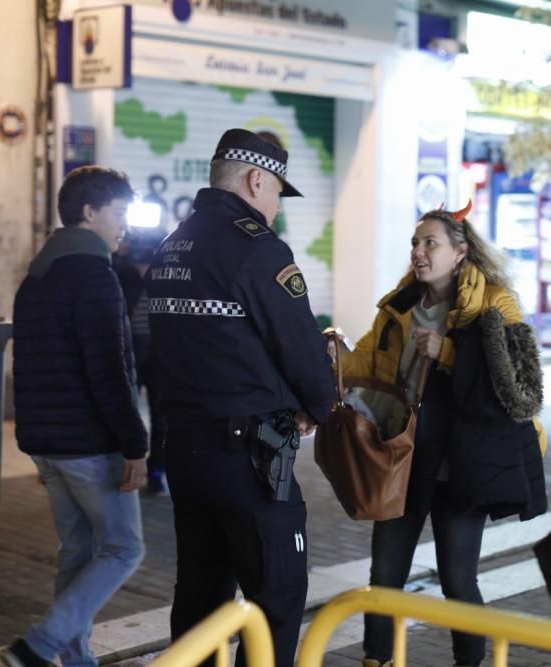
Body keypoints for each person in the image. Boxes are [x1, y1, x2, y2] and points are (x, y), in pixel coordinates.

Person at [145, 129, 335, 667]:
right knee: (276, 595)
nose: (276, 207)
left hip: (185, 449)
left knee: (201, 599)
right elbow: (300, 349)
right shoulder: (256, 249)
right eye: (276, 191)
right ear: (256, 179)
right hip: (249, 457)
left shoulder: (171, 245)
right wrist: (319, 408)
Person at [336, 203, 547, 667]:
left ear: (459, 252)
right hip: (403, 458)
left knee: (458, 580)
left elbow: (517, 383)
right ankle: (378, 660)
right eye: (415, 242)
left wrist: (448, 351)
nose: (418, 251)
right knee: (385, 574)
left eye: (430, 242)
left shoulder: (493, 302)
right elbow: (368, 363)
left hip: (462, 464)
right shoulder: (401, 304)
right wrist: (330, 354)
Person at [4, 166, 148, 667]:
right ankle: (42, 645)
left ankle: (76, 659)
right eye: (119, 212)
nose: (124, 225)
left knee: (79, 551)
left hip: (47, 442)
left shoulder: (35, 277)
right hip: (89, 443)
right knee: (123, 550)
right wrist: (136, 444)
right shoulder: (94, 277)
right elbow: (109, 372)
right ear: (89, 213)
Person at [115, 232, 168, 494]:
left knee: (162, 415)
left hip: (161, 351)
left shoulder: (168, 269)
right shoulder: (120, 270)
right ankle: (125, 465)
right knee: (126, 408)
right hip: (130, 349)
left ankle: (157, 470)